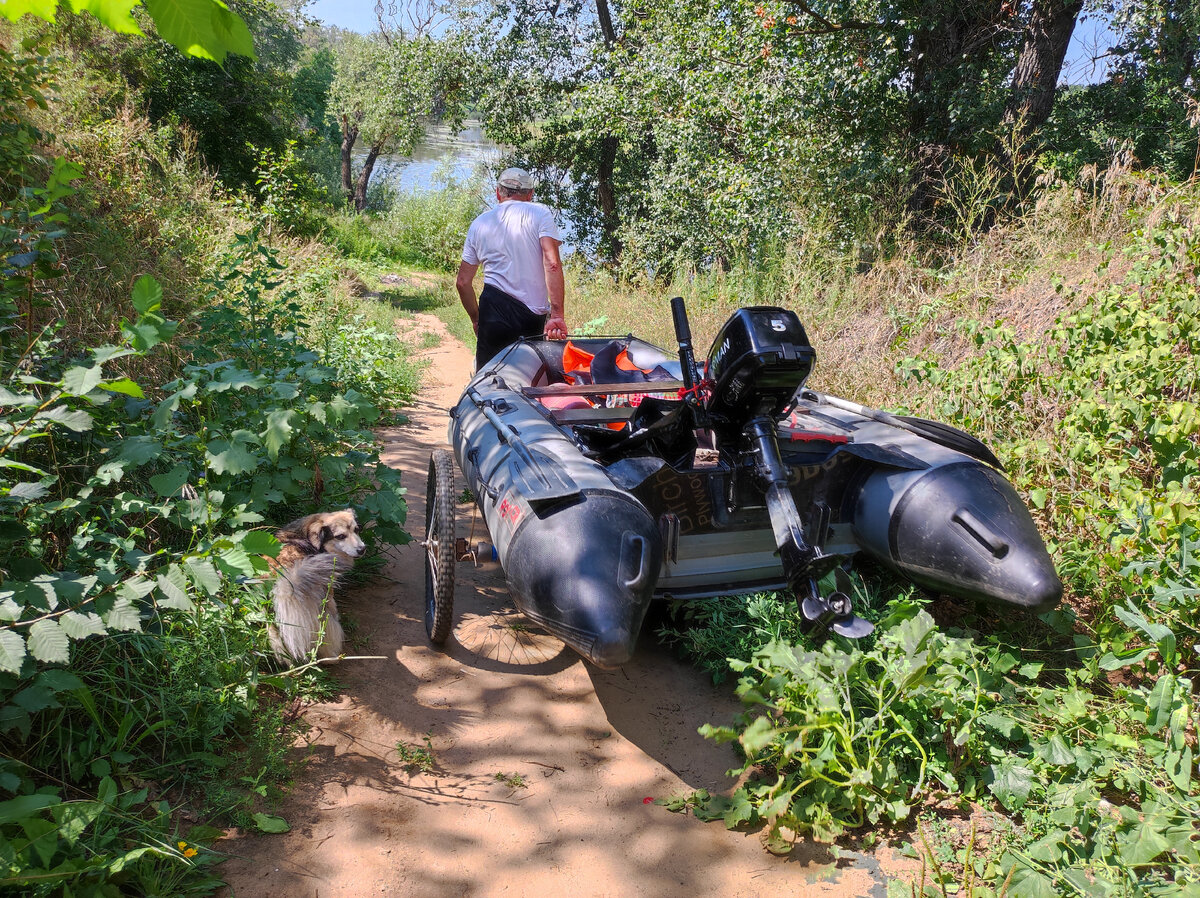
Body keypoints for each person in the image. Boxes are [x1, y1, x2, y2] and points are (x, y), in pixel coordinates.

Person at [456, 167, 567, 370]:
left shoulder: (480, 223)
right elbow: (552, 263)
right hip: (530, 315)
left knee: (487, 378)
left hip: (492, 310)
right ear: (530, 194)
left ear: (498, 192)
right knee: (526, 379)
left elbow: (462, 282)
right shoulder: (540, 214)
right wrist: (557, 315)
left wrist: (476, 319)